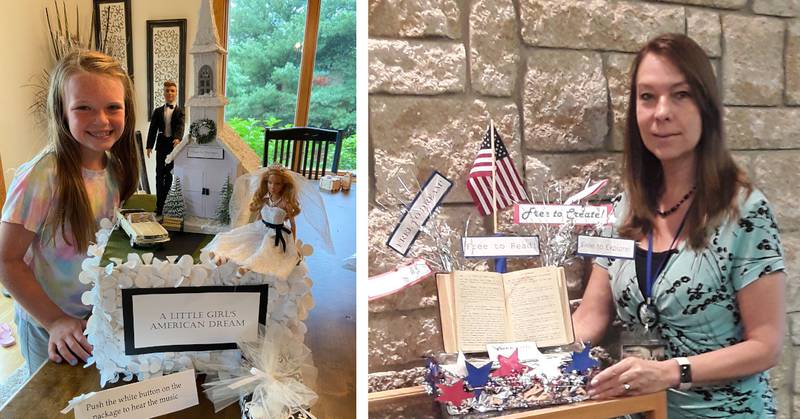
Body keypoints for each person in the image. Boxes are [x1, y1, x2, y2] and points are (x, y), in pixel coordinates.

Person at [572, 33, 785, 418]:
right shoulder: (621, 211)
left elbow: (767, 344)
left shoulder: (744, 211)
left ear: (705, 106)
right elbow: (590, 318)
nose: (661, 112)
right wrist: (517, 349)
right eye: (647, 97)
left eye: (680, 94)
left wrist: (670, 372)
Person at [0, 50, 138, 375]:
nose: (101, 120)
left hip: (95, 317)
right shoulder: (42, 177)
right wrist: (55, 321)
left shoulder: (116, 167)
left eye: (112, 107)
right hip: (49, 324)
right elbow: (6, 258)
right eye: (83, 108)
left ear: (126, 111)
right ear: (63, 112)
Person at [203, 164, 301, 280]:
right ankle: (223, 257)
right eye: (270, 183)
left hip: (276, 234)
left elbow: (293, 225)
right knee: (240, 240)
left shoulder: (285, 203)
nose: (273, 187)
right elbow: (259, 217)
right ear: (266, 183)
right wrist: (252, 229)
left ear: (284, 185)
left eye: (277, 184)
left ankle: (248, 266)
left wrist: (293, 244)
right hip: (261, 228)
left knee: (266, 247)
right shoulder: (265, 200)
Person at [146, 80, 185, 216]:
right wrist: (149, 146)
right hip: (161, 145)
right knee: (159, 175)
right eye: (167, 90)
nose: (170, 93)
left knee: (169, 175)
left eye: (172, 91)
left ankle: (166, 204)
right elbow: (153, 129)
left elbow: (180, 126)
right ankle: (159, 206)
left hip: (172, 147)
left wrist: (178, 138)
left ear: (176, 93)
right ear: (164, 93)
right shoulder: (157, 111)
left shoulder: (180, 111)